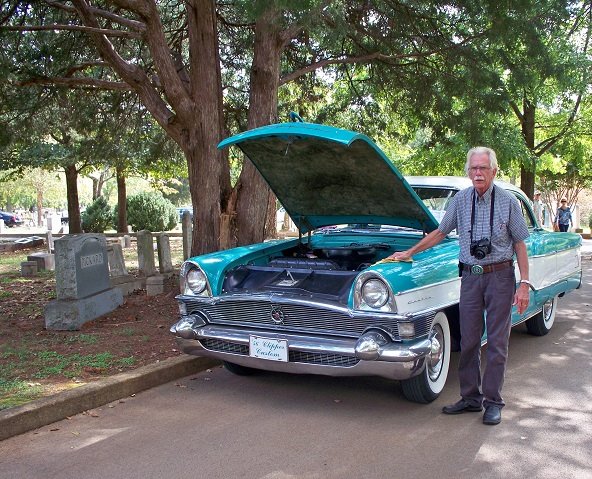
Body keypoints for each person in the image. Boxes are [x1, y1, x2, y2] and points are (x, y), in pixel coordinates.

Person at [388, 146, 531, 426]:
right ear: (468, 172)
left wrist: (524, 283)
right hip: (470, 277)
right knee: (468, 340)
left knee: (498, 343)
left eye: (483, 168)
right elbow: (440, 232)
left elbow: (520, 243)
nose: (478, 173)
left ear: (494, 170)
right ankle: (470, 398)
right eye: (473, 168)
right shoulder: (461, 200)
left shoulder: (508, 201)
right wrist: (410, 252)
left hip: (500, 276)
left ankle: (493, 402)